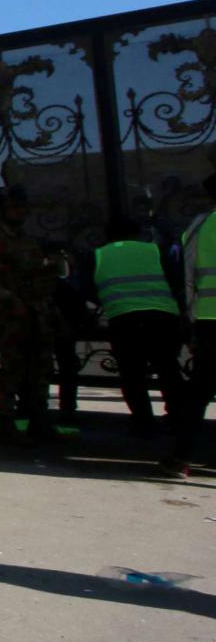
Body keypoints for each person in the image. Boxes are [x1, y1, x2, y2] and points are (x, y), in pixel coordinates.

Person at [0, 185, 59, 446]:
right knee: (13, 368)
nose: (21, 211)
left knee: (41, 365)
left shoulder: (24, 237)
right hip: (14, 313)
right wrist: (9, 298)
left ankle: (39, 419)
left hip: (37, 310)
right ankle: (7, 423)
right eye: (14, 207)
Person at [88, 215, 180, 454]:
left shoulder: (98, 255)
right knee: (168, 369)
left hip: (123, 319)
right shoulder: (155, 250)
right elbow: (176, 279)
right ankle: (177, 419)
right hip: (163, 317)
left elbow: (87, 288)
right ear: (138, 233)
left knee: (132, 374)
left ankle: (143, 423)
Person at [173, 174, 216, 477]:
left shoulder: (199, 227)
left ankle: (181, 458)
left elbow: (188, 279)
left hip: (209, 320)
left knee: (199, 392)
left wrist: (189, 320)